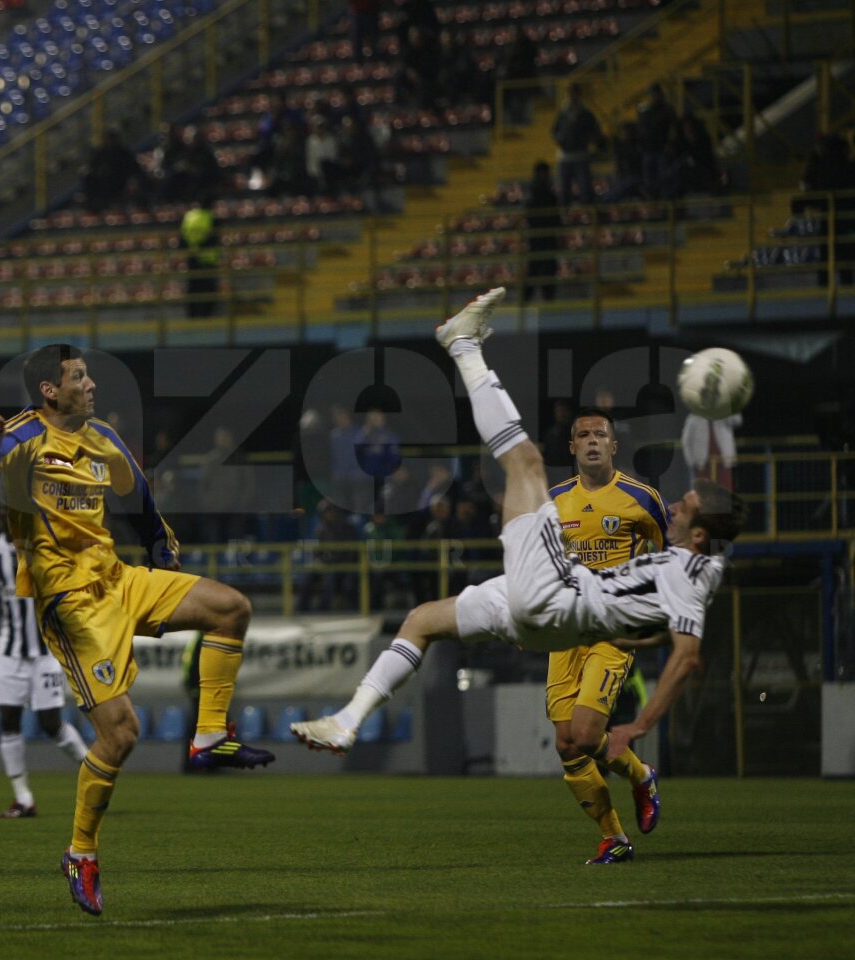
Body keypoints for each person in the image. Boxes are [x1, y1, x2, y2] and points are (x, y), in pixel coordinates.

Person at [292, 288, 746, 867]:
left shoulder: (687, 567)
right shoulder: (690, 560)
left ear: (699, 534)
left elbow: (688, 657)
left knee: (524, 463)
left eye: (685, 507)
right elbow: (659, 611)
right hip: (555, 612)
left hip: (559, 601)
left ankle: (462, 345)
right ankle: (346, 720)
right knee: (424, 620)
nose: (675, 508)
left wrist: (637, 725)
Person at [0, 344, 274, 917]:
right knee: (121, 734)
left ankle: (208, 735)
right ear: (50, 390)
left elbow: (138, 493)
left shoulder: (102, 437)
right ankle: (81, 852)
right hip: (71, 602)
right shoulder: (21, 438)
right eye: (79, 377)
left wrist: (158, 539)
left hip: (118, 579)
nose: (92, 385)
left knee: (231, 607)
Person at [545, 408, 670, 863]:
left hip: (614, 630)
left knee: (585, 731)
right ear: (572, 447)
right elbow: (542, 565)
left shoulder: (643, 498)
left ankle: (639, 776)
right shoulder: (554, 499)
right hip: (565, 628)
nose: (593, 439)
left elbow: (669, 561)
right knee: (566, 743)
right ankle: (615, 836)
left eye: (601, 434)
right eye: (584, 434)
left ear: (614, 446)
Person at [0, 518, 89, 818]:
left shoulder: (48, 544)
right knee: (8, 720)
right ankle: (23, 798)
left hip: (47, 650)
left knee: (50, 724)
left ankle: (94, 771)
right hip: (10, 651)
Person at [551, 84, 602, 206]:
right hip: (565, 156)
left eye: (574, 94)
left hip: (580, 155)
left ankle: (588, 215)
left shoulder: (586, 114)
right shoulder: (563, 113)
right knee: (564, 190)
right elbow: (554, 130)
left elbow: (595, 131)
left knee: (585, 188)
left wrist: (585, 140)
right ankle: (565, 214)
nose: (572, 97)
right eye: (570, 94)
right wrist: (560, 140)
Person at [523, 160, 561, 303]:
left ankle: (546, 298)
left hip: (547, 238)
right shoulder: (536, 193)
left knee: (547, 270)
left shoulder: (549, 193)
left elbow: (556, 216)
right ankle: (527, 299)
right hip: (539, 238)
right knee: (535, 270)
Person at [180, 199, 221, 318]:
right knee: (209, 291)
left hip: (192, 259)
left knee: (193, 290)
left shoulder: (188, 216)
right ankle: (206, 317)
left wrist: (193, 250)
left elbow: (182, 239)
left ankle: (192, 317)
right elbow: (213, 239)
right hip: (208, 260)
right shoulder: (211, 217)